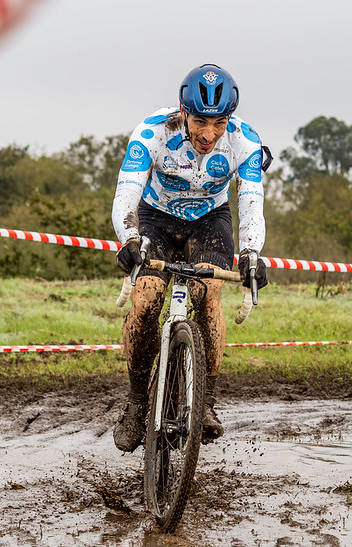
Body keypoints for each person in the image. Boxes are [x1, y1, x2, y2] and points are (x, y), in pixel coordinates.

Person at [111, 63, 269, 453]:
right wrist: (130, 239)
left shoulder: (245, 142)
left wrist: (251, 253)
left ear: (229, 118)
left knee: (209, 293)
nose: (208, 133)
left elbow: (251, 201)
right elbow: (127, 190)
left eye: (219, 123)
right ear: (183, 112)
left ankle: (207, 402)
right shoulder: (152, 132)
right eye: (200, 121)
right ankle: (135, 403)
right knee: (146, 296)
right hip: (154, 217)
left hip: (209, 221)